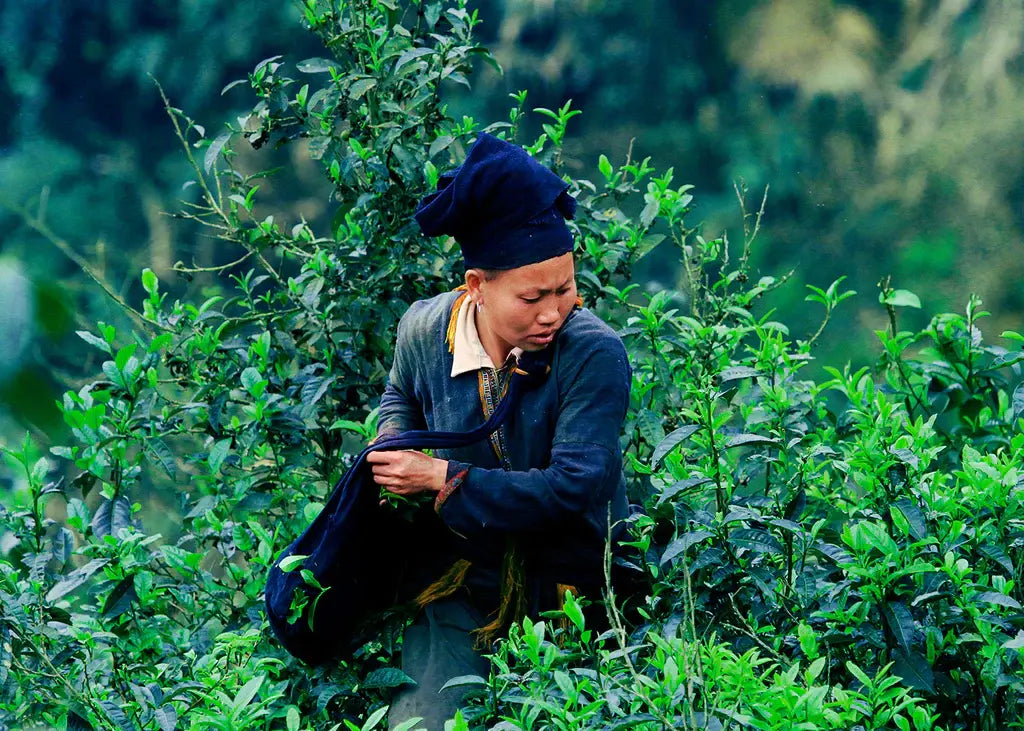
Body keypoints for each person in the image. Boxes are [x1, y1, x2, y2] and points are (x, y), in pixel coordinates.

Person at [366, 132, 631, 730]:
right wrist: (392, 447)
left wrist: (442, 477)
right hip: (461, 579)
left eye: (565, 290)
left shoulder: (593, 352)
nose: (552, 313)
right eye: (532, 296)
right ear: (476, 286)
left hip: (574, 586)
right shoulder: (423, 328)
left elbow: (574, 487)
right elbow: (399, 393)